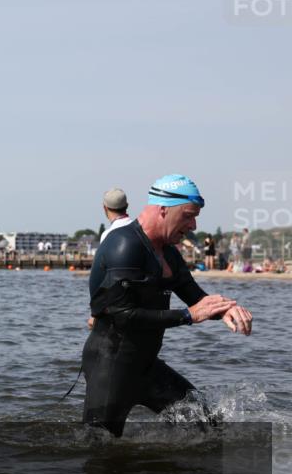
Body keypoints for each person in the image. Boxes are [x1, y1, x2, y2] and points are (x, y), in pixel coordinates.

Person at [81, 174, 253, 437]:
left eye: (195, 217)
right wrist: (187, 316)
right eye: (188, 215)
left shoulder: (169, 251)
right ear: (163, 209)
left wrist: (225, 308)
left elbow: (195, 297)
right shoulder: (125, 245)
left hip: (146, 366)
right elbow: (120, 315)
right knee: (99, 451)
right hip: (110, 365)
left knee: (209, 428)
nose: (194, 225)